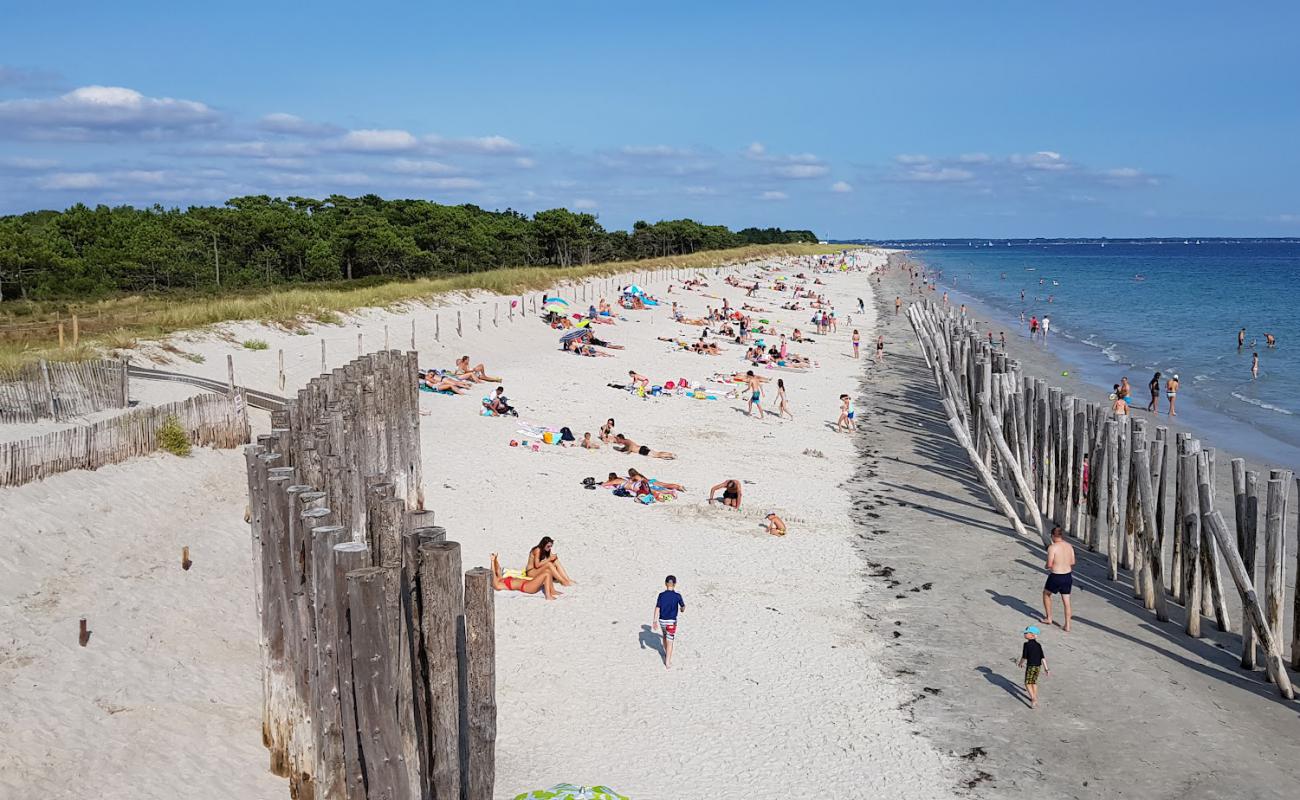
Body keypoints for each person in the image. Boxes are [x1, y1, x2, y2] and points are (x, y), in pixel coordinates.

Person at [1042, 526, 1075, 632]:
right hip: (1067, 575)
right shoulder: (1069, 546)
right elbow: (1072, 562)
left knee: (1046, 594)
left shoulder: (1052, 547)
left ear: (1052, 536)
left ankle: (1049, 618)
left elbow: (1050, 564)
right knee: (1066, 601)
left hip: (1056, 575)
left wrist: (1046, 566)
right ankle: (1068, 625)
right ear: (1061, 535)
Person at [489, 553, 558, 600]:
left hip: (528, 583)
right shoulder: (498, 585)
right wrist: (492, 562)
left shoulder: (501, 578)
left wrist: (495, 559)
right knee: (546, 574)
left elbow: (498, 570)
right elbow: (493, 574)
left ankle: (553, 591)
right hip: (527, 587)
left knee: (548, 572)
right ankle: (548, 596)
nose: (496, 575)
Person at [652, 575, 685, 669]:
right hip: (671, 621)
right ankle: (667, 662)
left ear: (665, 583)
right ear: (674, 584)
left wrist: (654, 621)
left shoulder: (661, 595)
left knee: (664, 635)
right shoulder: (677, 596)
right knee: (670, 640)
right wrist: (682, 609)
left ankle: (666, 652)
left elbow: (657, 607)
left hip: (662, 620)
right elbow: (682, 607)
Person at [1017, 626, 1049, 709]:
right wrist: (1046, 669)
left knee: (1027, 683)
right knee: (1033, 682)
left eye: (1026, 633)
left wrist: (1020, 663)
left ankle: (1033, 699)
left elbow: (1024, 656)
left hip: (1031, 666)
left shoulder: (1026, 644)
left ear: (1032, 635)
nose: (1024, 634)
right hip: (1038, 666)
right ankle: (1034, 696)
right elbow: (1042, 657)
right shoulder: (1038, 645)